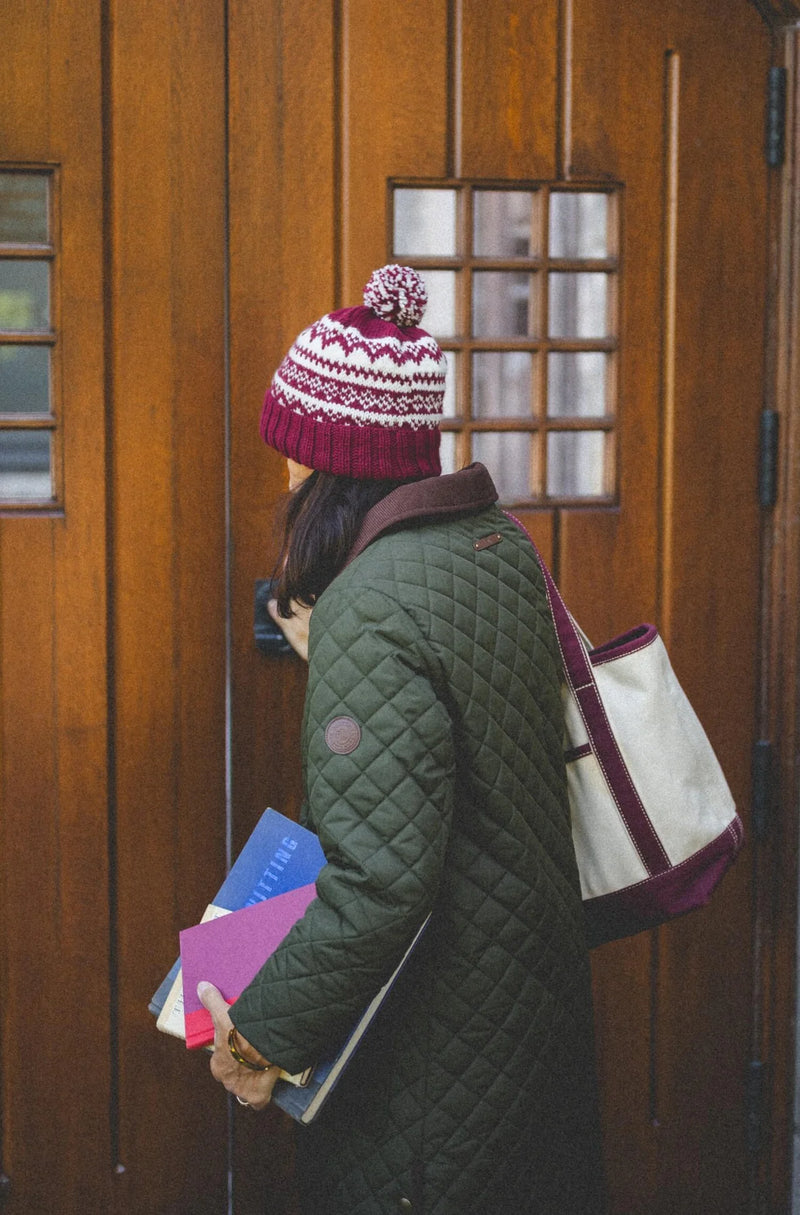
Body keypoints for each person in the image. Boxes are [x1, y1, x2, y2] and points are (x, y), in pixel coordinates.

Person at [198, 264, 605, 1214]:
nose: (284, 475)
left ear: (333, 466)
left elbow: (379, 879)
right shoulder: (493, 545)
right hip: (521, 1007)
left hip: (432, 1047)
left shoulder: (371, 607)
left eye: (294, 454)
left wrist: (259, 1037)